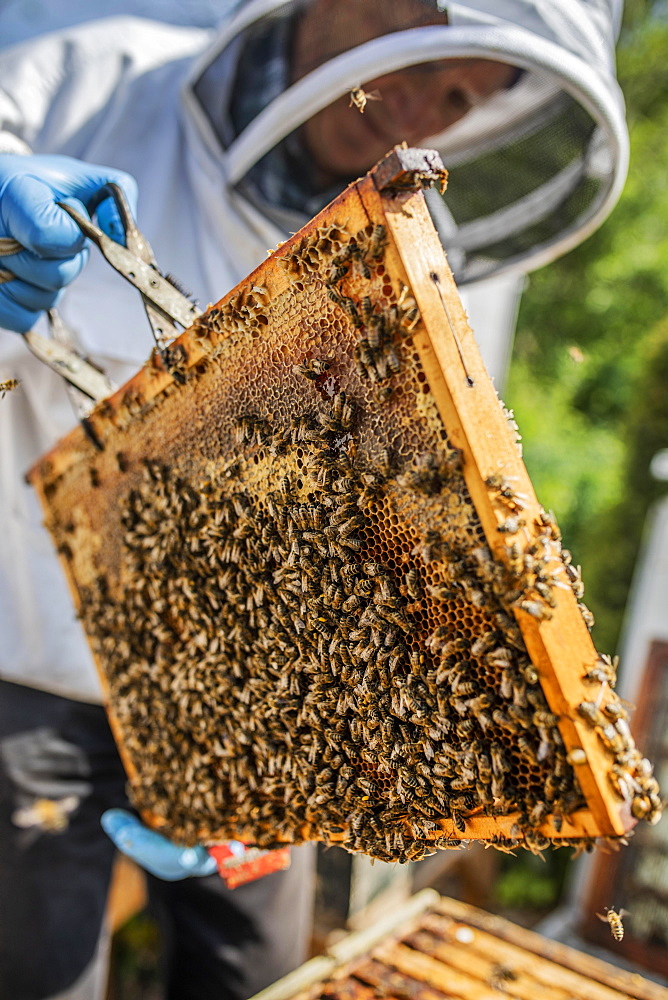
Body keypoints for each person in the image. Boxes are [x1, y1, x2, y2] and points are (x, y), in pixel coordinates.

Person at [0, 1, 628, 998]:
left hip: (245, 707)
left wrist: (311, 737)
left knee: (254, 972)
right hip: (36, 681)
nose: (414, 105)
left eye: (459, 94)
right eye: (412, 49)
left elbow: (370, 536)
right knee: (37, 974)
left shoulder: (402, 248)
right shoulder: (91, 80)